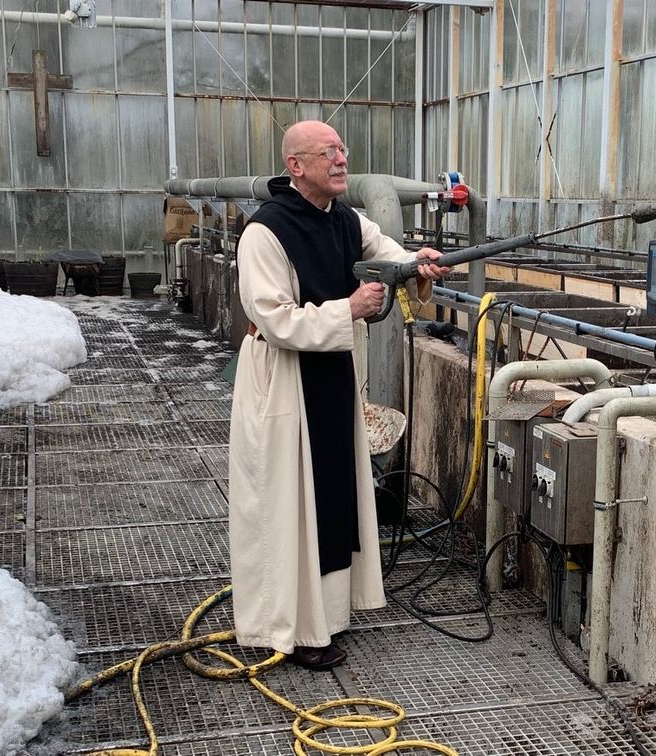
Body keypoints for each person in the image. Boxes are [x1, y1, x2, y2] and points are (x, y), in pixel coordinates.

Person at [228, 120, 448, 670]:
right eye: (328, 152)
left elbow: (386, 250)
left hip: (330, 376)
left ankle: (326, 618)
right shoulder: (265, 232)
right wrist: (346, 310)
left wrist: (415, 261)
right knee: (288, 504)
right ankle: (289, 627)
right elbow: (272, 318)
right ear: (296, 165)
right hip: (284, 378)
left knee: (331, 499)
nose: (341, 159)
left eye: (343, 149)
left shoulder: (346, 218)